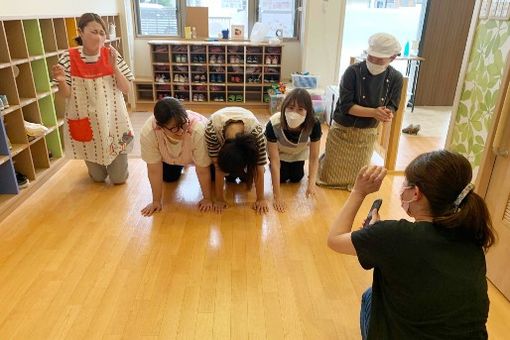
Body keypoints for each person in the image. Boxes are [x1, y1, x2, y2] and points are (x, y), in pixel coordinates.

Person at [327, 150, 496, 339]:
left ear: (415, 193)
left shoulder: (393, 235)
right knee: (371, 295)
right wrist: (376, 235)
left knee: (370, 297)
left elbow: (335, 239)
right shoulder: (470, 236)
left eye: (405, 184)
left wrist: (358, 192)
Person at [52, 13, 134, 184]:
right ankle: (97, 168)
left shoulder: (111, 54)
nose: (99, 37)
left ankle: (118, 165)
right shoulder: (68, 57)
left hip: (113, 120)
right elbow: (65, 94)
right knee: (98, 178)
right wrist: (60, 81)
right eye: (93, 32)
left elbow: (126, 89)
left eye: (102, 32)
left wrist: (114, 68)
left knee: (119, 179)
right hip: (85, 121)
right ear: (80, 32)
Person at [317, 32, 403, 190]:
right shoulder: (353, 72)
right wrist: (374, 112)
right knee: (330, 172)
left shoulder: (396, 77)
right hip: (343, 127)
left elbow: (393, 104)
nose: (374, 62)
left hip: (367, 131)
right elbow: (346, 106)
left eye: (380, 59)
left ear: (392, 58)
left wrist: (387, 113)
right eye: (371, 57)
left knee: (357, 174)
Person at [140, 97, 213, 216]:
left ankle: (186, 163)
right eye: (174, 128)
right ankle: (181, 165)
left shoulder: (198, 130)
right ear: (160, 126)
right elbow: (153, 170)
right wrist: (156, 201)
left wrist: (207, 198)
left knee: (213, 177)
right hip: (172, 157)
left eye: (183, 124)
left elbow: (203, 170)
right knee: (169, 178)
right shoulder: (149, 132)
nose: (181, 131)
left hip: (202, 155)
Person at [265, 88, 322, 212]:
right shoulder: (273, 124)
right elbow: (275, 161)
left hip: (298, 153)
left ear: (308, 111)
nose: (294, 112)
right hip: (279, 154)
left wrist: (311, 184)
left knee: (296, 178)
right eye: (290, 107)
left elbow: (314, 157)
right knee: (281, 178)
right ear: (284, 107)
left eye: (300, 109)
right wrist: (277, 196)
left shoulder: (314, 124)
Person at [205, 107, 268, 214]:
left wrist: (261, 199)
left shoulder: (257, 135)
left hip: (247, 140)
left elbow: (259, 169)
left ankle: (240, 172)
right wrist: (219, 199)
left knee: (246, 178)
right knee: (228, 178)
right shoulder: (211, 130)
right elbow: (217, 166)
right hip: (220, 129)